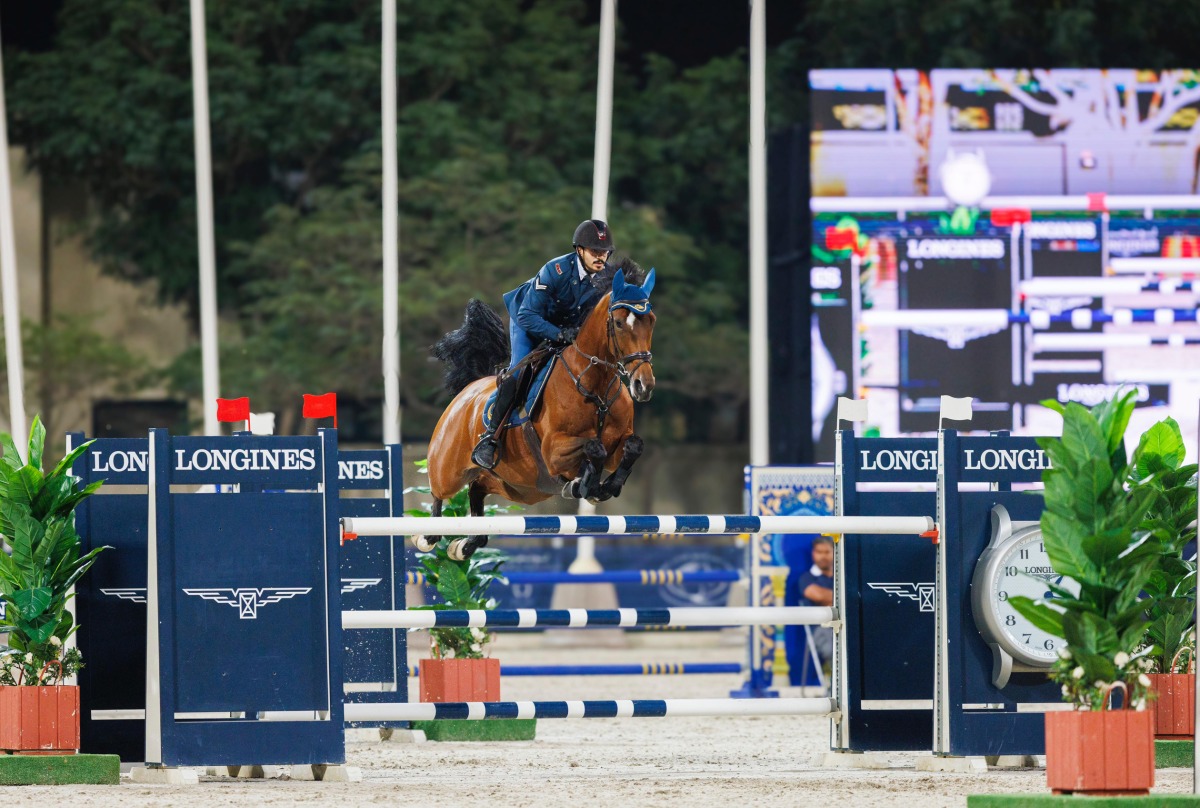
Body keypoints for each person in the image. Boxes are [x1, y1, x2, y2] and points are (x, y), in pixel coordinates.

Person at [470, 218, 616, 469]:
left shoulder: (605, 279)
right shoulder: (555, 270)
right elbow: (528, 315)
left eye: (604, 253)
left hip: (568, 329)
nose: (600, 258)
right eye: (595, 252)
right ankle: (489, 439)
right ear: (579, 250)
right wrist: (558, 334)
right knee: (519, 371)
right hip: (529, 322)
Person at [795, 536, 834, 669]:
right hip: (821, 629)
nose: (823, 556)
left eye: (827, 552)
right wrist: (842, 598)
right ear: (813, 553)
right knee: (834, 650)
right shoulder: (806, 578)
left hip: (847, 625)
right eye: (819, 552)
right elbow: (817, 595)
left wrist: (828, 599)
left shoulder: (843, 575)